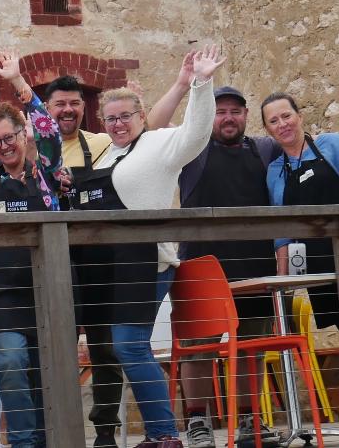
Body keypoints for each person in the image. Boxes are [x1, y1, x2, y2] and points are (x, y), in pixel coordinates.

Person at [74, 44, 225, 448]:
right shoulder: (107, 156)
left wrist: (200, 83)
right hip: (108, 269)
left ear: (142, 117)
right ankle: (159, 435)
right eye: (111, 118)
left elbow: (195, 134)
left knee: (128, 345)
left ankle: (164, 435)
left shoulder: (160, 145)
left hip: (148, 262)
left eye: (126, 116)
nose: (118, 123)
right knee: (123, 347)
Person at [164, 85, 280, 448]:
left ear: (246, 116)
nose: (228, 118)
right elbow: (155, 133)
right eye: (220, 111)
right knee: (198, 348)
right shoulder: (191, 150)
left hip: (256, 263)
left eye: (235, 111)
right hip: (200, 265)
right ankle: (198, 422)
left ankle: (249, 421)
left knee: (252, 349)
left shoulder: (265, 150)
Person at [0, 103, 63, 448]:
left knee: (47, 377)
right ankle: (24, 443)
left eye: (8, 137)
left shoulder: (48, 174)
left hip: (47, 292)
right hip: (1, 297)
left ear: (24, 134)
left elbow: (50, 133)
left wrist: (23, 89)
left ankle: (49, 441)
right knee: (10, 363)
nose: (4, 147)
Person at [42, 74, 119, 446]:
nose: (68, 110)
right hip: (56, 264)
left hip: (100, 260)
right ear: (46, 109)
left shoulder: (103, 143)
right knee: (58, 349)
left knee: (106, 350)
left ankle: (105, 432)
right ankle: (63, 431)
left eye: (74, 103)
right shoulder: (35, 150)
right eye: (59, 104)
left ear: (83, 107)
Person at [265, 94, 339, 329]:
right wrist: (284, 288)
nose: (282, 124)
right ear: (267, 130)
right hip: (320, 269)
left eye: (286, 116)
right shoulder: (275, 172)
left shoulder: (332, 144)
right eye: (273, 121)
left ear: (300, 116)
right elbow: (282, 231)